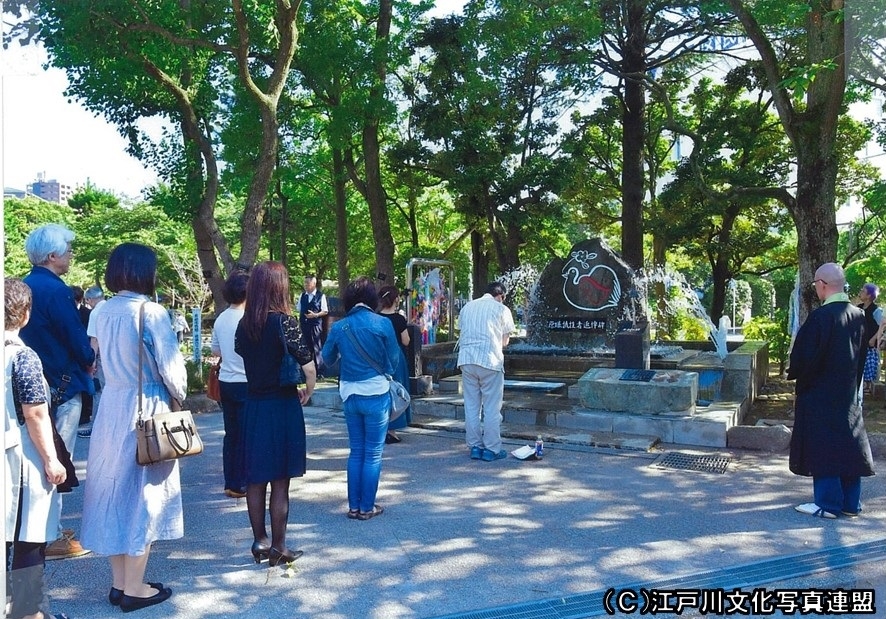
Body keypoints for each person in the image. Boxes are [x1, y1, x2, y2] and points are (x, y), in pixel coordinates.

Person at [79, 243, 186, 612]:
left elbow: (95, 356)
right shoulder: (152, 311)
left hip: (111, 408)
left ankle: (120, 583)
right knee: (146, 495)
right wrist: (180, 398)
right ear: (145, 272)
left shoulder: (102, 310)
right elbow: (172, 370)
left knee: (113, 493)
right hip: (148, 408)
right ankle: (135, 589)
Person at [20, 223, 94, 560]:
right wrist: (90, 357)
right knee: (57, 459)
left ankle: (43, 529)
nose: (71, 255)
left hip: (28, 386)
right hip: (61, 387)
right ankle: (49, 535)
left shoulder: (22, 286)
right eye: (67, 249)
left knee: (38, 458)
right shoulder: (57, 290)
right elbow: (76, 337)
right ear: (53, 256)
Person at [235, 262, 316, 566]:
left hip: (254, 406)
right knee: (280, 480)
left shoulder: (244, 325)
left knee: (256, 479)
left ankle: (259, 541)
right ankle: (279, 547)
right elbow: (308, 366)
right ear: (279, 287)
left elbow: (243, 355)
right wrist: (309, 390)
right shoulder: (285, 322)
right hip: (282, 406)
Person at [4, 278, 71, 619]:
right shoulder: (22, 356)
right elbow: (34, 412)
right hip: (18, 458)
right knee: (28, 534)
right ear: (25, 314)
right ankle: (29, 612)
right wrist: (51, 460)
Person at [787, 263, 876, 519]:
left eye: (816, 285)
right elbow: (860, 356)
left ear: (822, 284)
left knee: (823, 444)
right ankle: (850, 502)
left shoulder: (820, 317)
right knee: (848, 442)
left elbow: (802, 358)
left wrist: (798, 378)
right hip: (847, 391)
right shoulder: (858, 316)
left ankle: (826, 503)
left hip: (820, 392)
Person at [322, 277, 401, 521]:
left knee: (356, 451)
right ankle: (367, 507)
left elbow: (326, 358)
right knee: (373, 453)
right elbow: (394, 361)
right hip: (376, 393)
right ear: (371, 298)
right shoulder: (382, 323)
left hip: (349, 393)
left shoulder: (339, 327)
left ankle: (354, 506)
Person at [456, 282, 516, 462]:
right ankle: (491, 449)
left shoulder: (467, 307)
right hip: (490, 361)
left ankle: (475, 447)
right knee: (491, 407)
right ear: (501, 296)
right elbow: (505, 342)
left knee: (472, 405)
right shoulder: (501, 309)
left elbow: (462, 331)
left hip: (467, 360)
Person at [210, 271, 250, 499]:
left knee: (231, 434)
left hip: (226, 381)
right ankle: (243, 482)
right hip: (246, 381)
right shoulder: (249, 318)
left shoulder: (222, 318)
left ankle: (231, 481)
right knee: (246, 434)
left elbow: (216, 350)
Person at [377, 285, 412, 444]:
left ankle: (382, 426)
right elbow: (406, 341)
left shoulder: (376, 317)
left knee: (381, 391)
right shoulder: (398, 319)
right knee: (397, 391)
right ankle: (393, 429)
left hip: (379, 357)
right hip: (396, 357)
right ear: (395, 299)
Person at [78, 286, 107, 439]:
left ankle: (97, 426)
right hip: (116, 357)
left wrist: (92, 361)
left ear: (89, 300)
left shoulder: (95, 312)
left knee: (98, 392)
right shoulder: (111, 308)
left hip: (102, 357)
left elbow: (94, 340)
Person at [857, 283, 885, 394]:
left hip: (871, 345)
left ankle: (869, 387)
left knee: (870, 366)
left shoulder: (876, 310)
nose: (860, 292)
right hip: (860, 343)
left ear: (869, 295)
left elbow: (881, 327)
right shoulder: (858, 308)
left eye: (863, 291)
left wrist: (874, 339)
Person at [299, 274, 328, 377]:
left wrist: (315, 315)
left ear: (314, 283)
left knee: (316, 347)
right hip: (304, 325)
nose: (305, 285)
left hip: (315, 325)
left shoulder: (321, 296)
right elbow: (299, 309)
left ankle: (319, 371)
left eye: (308, 283)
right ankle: (305, 371)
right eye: (305, 283)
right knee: (305, 347)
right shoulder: (302, 296)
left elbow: (325, 311)